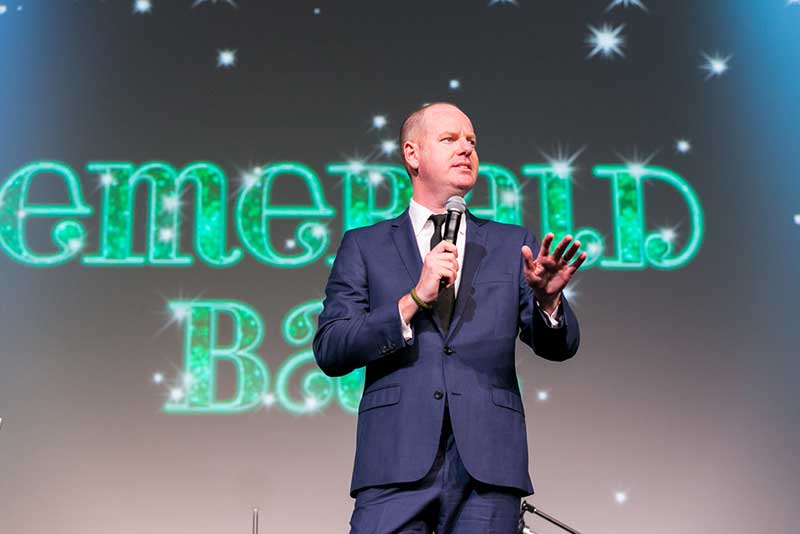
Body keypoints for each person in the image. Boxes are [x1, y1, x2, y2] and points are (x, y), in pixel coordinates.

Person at [313, 102, 586, 533]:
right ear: (412, 154)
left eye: (472, 141)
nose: (466, 149)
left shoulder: (511, 244)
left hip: (488, 467)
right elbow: (332, 348)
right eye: (449, 139)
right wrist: (412, 300)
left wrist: (548, 303)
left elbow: (558, 347)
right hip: (394, 461)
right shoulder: (365, 245)